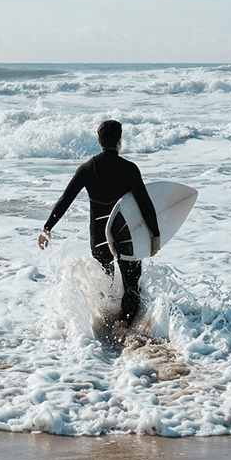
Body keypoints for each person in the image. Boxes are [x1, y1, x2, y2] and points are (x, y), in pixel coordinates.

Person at [38, 119, 160, 330]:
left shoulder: (87, 169)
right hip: (125, 233)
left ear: (98, 140)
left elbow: (65, 200)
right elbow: (145, 203)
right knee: (132, 284)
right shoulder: (129, 169)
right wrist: (155, 234)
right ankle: (124, 322)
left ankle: (103, 322)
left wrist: (47, 228)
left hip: (99, 234)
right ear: (119, 141)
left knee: (105, 277)